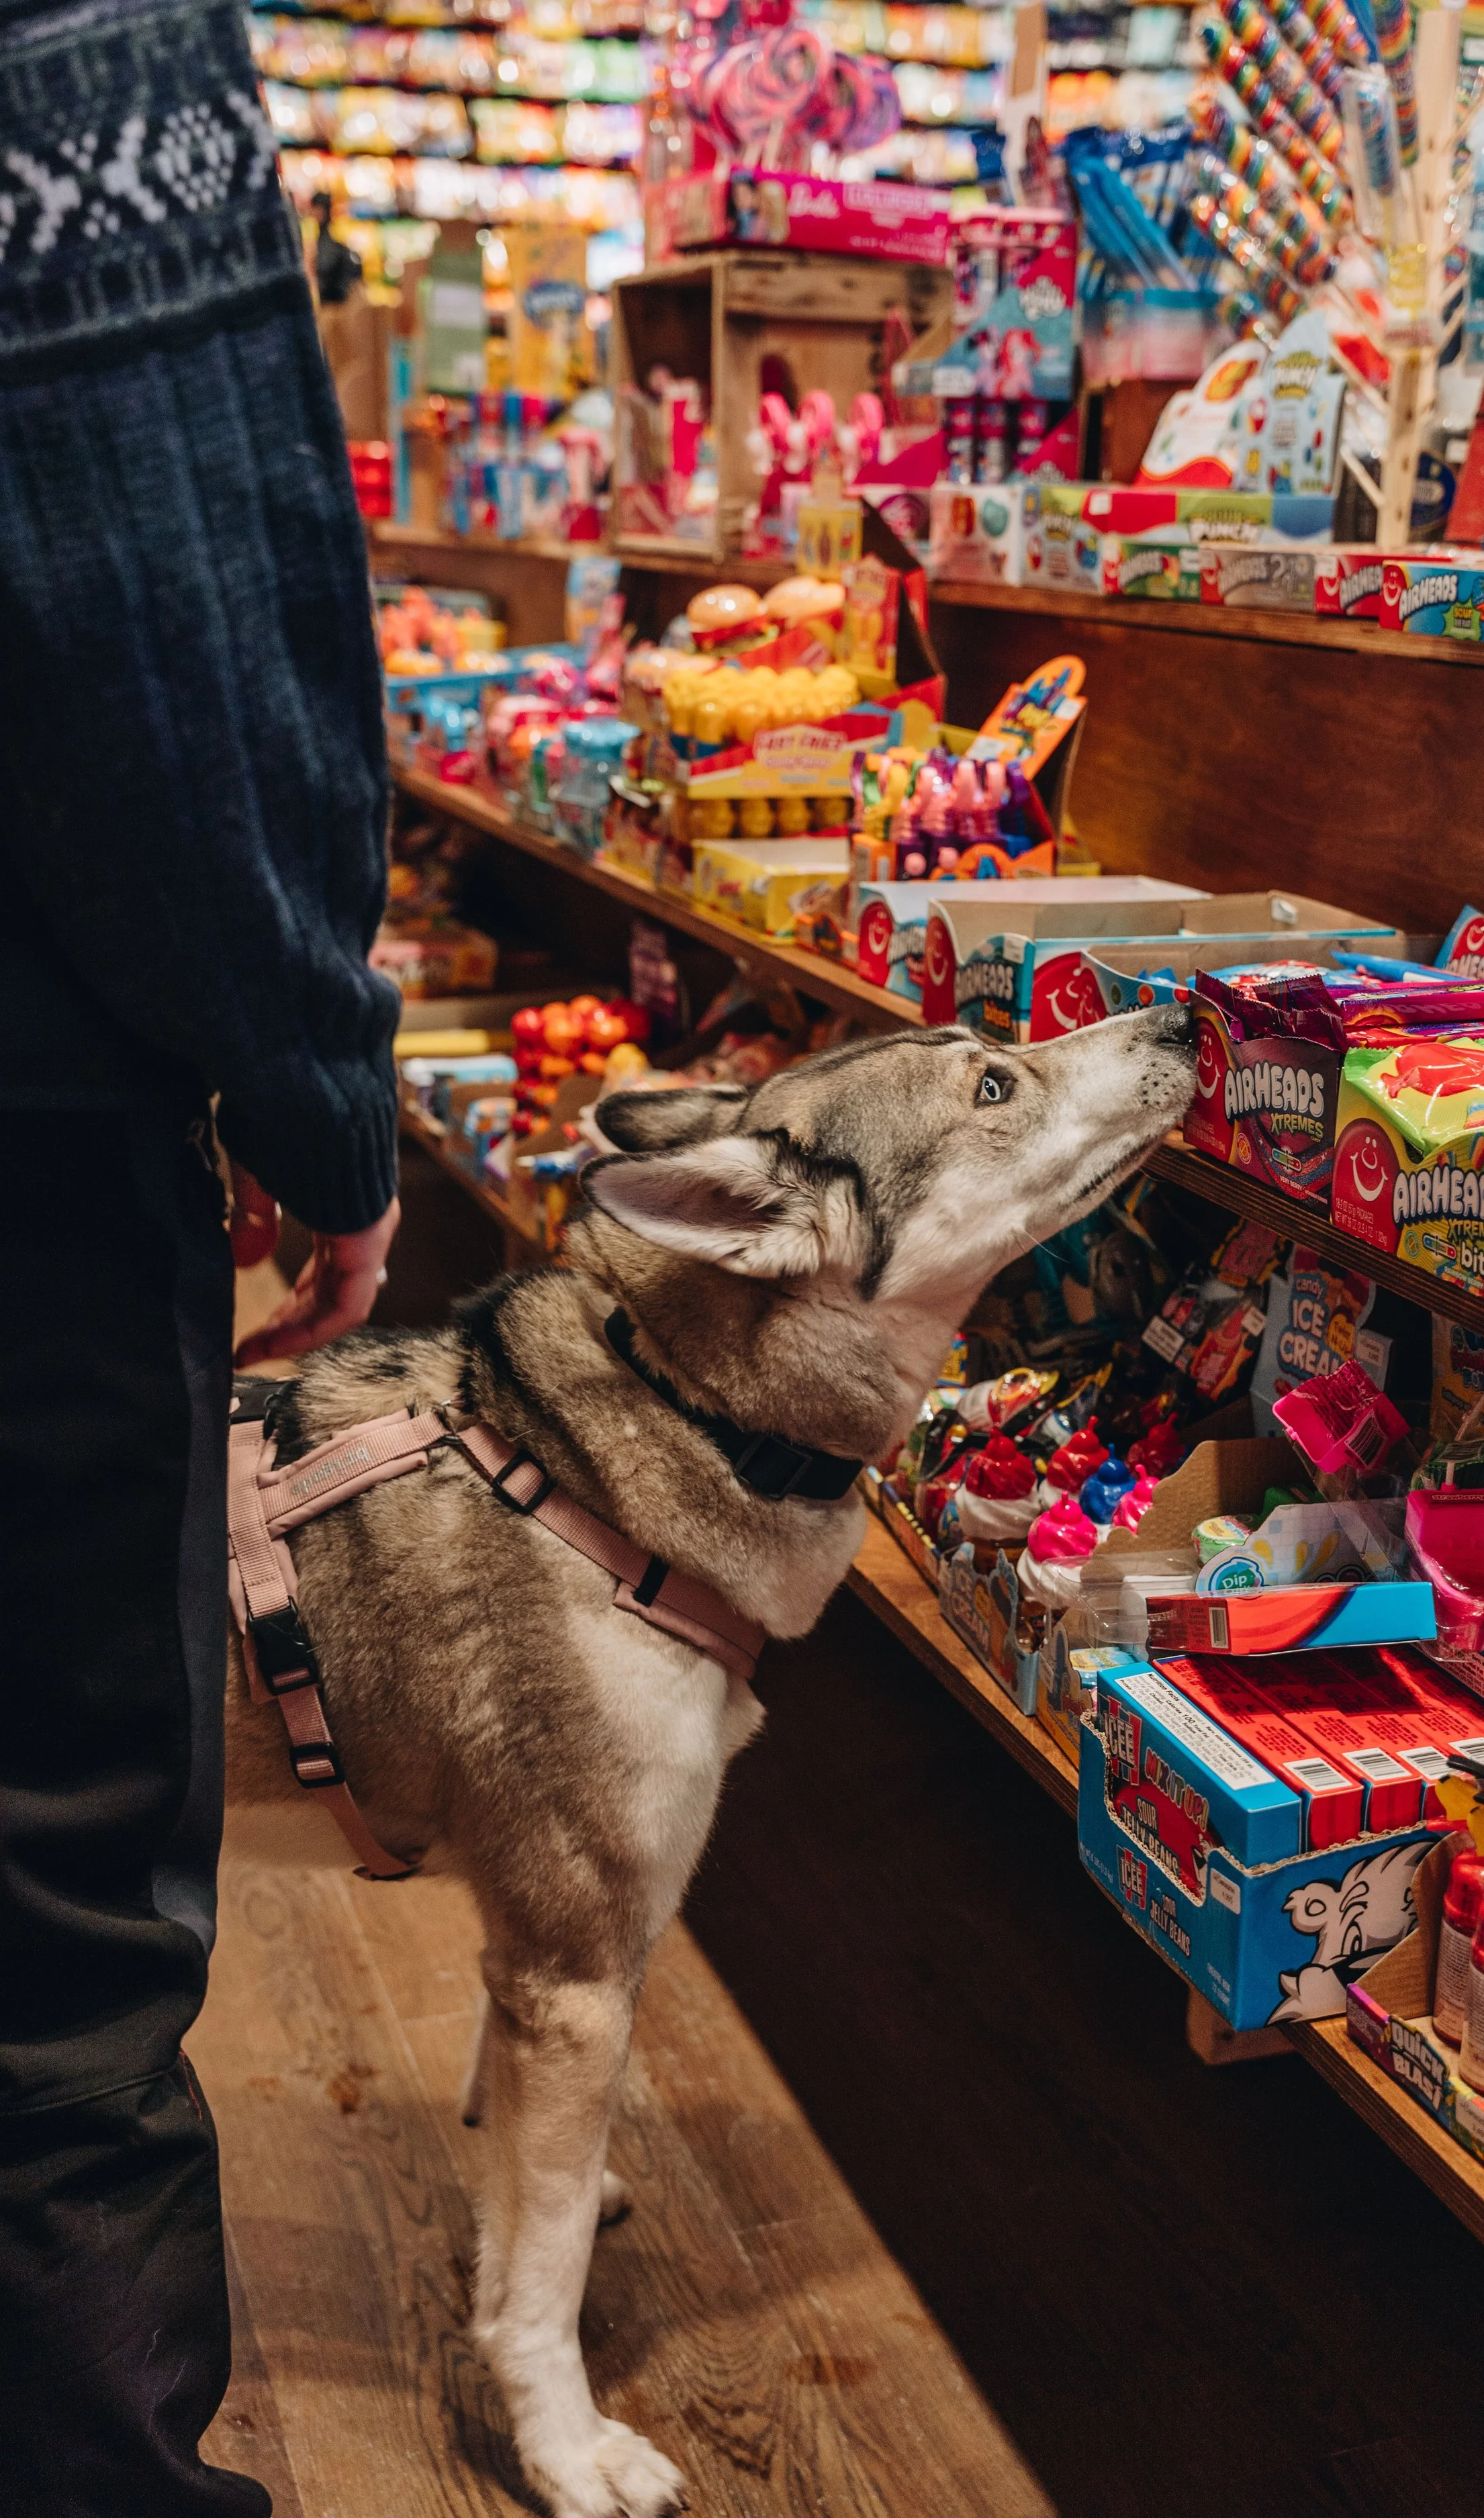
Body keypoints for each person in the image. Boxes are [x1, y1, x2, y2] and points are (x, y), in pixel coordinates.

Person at [0, 2, 402, 2509]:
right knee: (56, 1897)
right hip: (27, 1128)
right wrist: (310, 1071)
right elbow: (158, 589)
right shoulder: (83, 44)